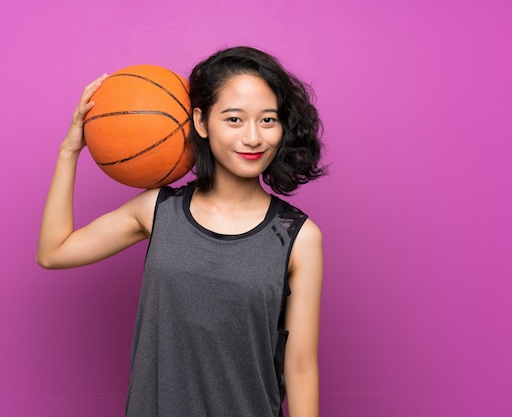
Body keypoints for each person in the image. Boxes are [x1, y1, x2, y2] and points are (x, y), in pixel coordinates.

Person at [37, 46, 325, 417]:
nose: (254, 138)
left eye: (268, 120)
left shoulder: (298, 237)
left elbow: (300, 369)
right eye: (234, 119)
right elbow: (53, 252)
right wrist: (69, 151)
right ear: (201, 122)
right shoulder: (158, 211)